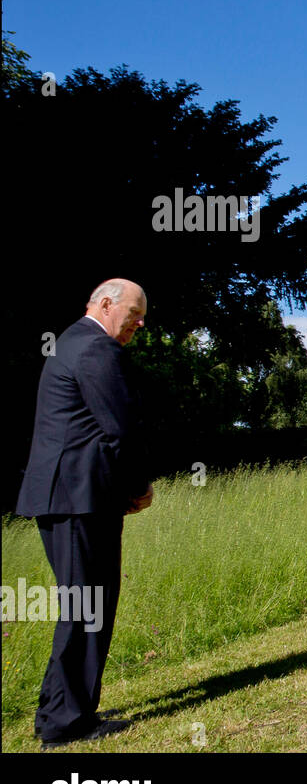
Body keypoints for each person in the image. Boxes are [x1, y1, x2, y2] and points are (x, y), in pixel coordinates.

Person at [18, 279, 153, 747]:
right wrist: (138, 487)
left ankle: (63, 710)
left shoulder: (73, 342)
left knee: (83, 606)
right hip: (78, 499)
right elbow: (119, 428)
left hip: (69, 497)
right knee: (86, 607)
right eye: (134, 312)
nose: (140, 322)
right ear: (104, 304)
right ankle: (64, 722)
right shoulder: (95, 348)